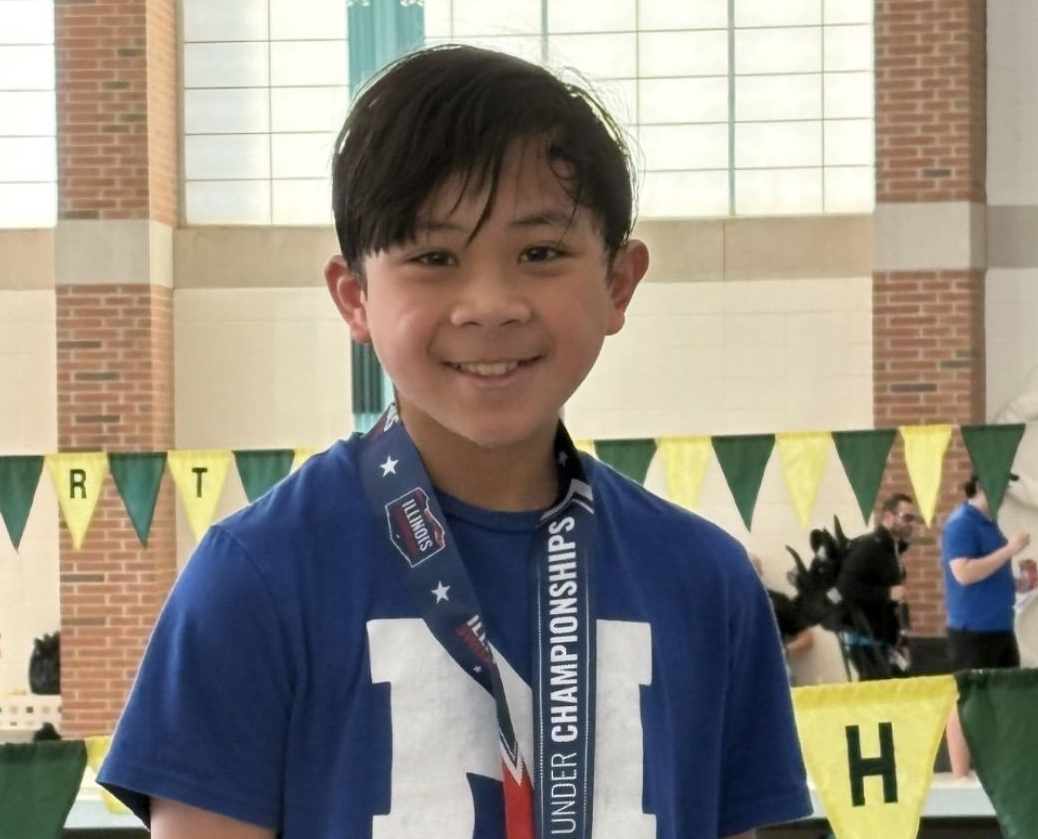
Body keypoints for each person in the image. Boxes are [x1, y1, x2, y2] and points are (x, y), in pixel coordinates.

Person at [98, 45, 811, 839]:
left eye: (540, 253)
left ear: (618, 283)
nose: (489, 303)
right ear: (355, 298)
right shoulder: (257, 579)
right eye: (434, 258)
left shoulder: (706, 585)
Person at [941, 472, 1034, 779]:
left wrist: (1020, 583)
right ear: (981, 486)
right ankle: (959, 773)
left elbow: (990, 573)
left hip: (999, 626)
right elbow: (964, 573)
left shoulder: (989, 523)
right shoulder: (961, 523)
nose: (1005, 493)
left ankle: (996, 768)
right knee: (967, 699)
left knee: (1003, 698)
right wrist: (1010, 550)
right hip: (973, 629)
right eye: (1001, 485)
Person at [835, 492, 917, 680]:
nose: (910, 524)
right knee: (877, 694)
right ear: (888, 517)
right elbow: (845, 587)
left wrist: (903, 640)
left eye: (912, 519)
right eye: (906, 518)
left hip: (887, 637)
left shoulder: (893, 549)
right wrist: (886, 593)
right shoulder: (869, 547)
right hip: (866, 638)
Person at [749, 553, 814, 684]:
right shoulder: (722, 603)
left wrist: (783, 651)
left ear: (760, 572)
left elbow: (807, 638)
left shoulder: (778, 601)